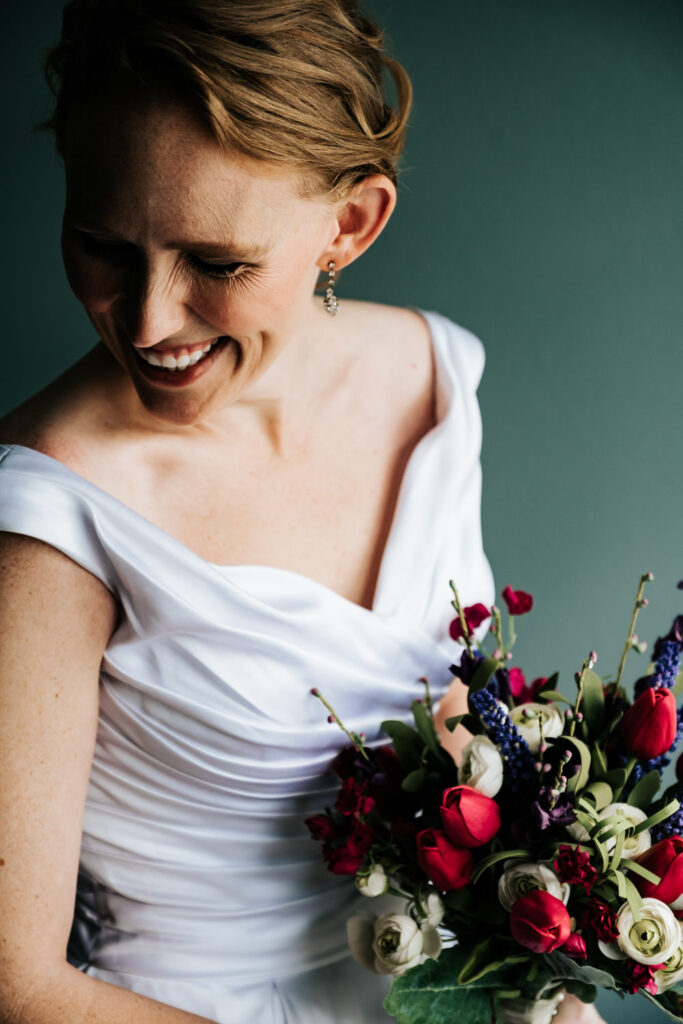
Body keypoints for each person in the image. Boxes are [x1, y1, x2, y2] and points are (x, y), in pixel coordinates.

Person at [0, 1, 603, 1022]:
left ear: (349, 224)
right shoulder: (47, 511)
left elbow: (453, 720)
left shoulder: (430, 379)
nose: (145, 319)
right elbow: (19, 985)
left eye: (216, 263)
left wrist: (532, 979)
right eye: (101, 245)